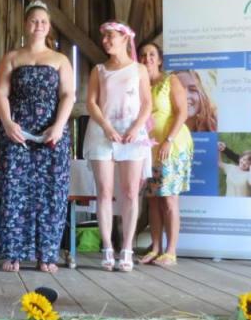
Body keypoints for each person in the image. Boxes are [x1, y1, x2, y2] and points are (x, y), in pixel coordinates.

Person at [0, 0, 74, 273]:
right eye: (34, 21)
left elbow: (68, 95)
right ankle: (12, 253)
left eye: (43, 22)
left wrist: (58, 126)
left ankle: (46, 255)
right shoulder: (12, 57)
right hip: (17, 132)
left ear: (49, 27)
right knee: (12, 190)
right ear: (26, 24)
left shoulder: (60, 60)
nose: (39, 25)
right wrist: (7, 123)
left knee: (51, 193)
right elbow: (0, 92)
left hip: (51, 133)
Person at [82, 21, 152, 272]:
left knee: (131, 192)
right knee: (104, 191)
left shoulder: (139, 69)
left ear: (124, 38)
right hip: (103, 133)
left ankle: (127, 248)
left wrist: (135, 128)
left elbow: (147, 103)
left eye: (111, 36)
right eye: (104, 37)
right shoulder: (99, 70)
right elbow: (91, 102)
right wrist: (106, 126)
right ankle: (108, 247)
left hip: (132, 133)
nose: (106, 41)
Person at [138, 43, 193, 267]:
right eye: (143, 55)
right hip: (148, 149)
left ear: (160, 60)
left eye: (152, 54)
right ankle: (155, 248)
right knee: (153, 200)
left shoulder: (171, 80)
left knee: (169, 198)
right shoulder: (139, 84)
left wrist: (168, 140)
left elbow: (182, 112)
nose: (147, 58)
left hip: (172, 146)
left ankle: (171, 251)